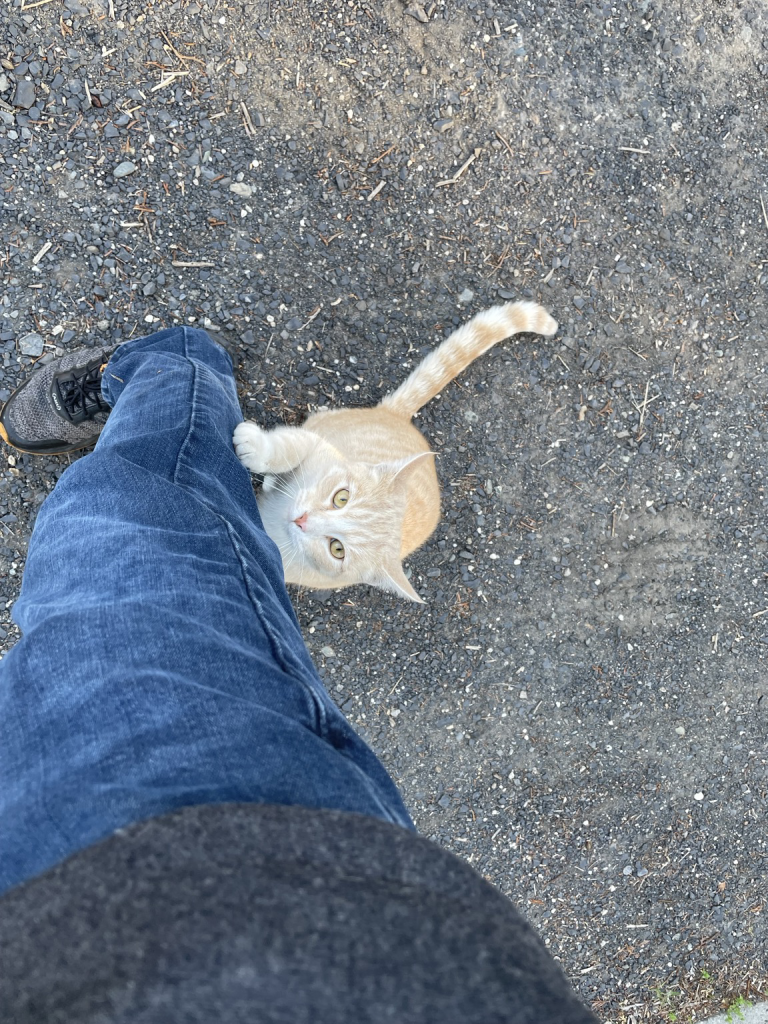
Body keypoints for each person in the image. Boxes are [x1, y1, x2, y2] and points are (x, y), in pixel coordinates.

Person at [0, 327, 597, 1023]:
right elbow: (316, 454)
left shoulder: (358, 552)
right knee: (128, 530)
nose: (316, 522)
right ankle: (178, 365)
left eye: (337, 542)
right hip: (340, 890)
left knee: (179, 563)